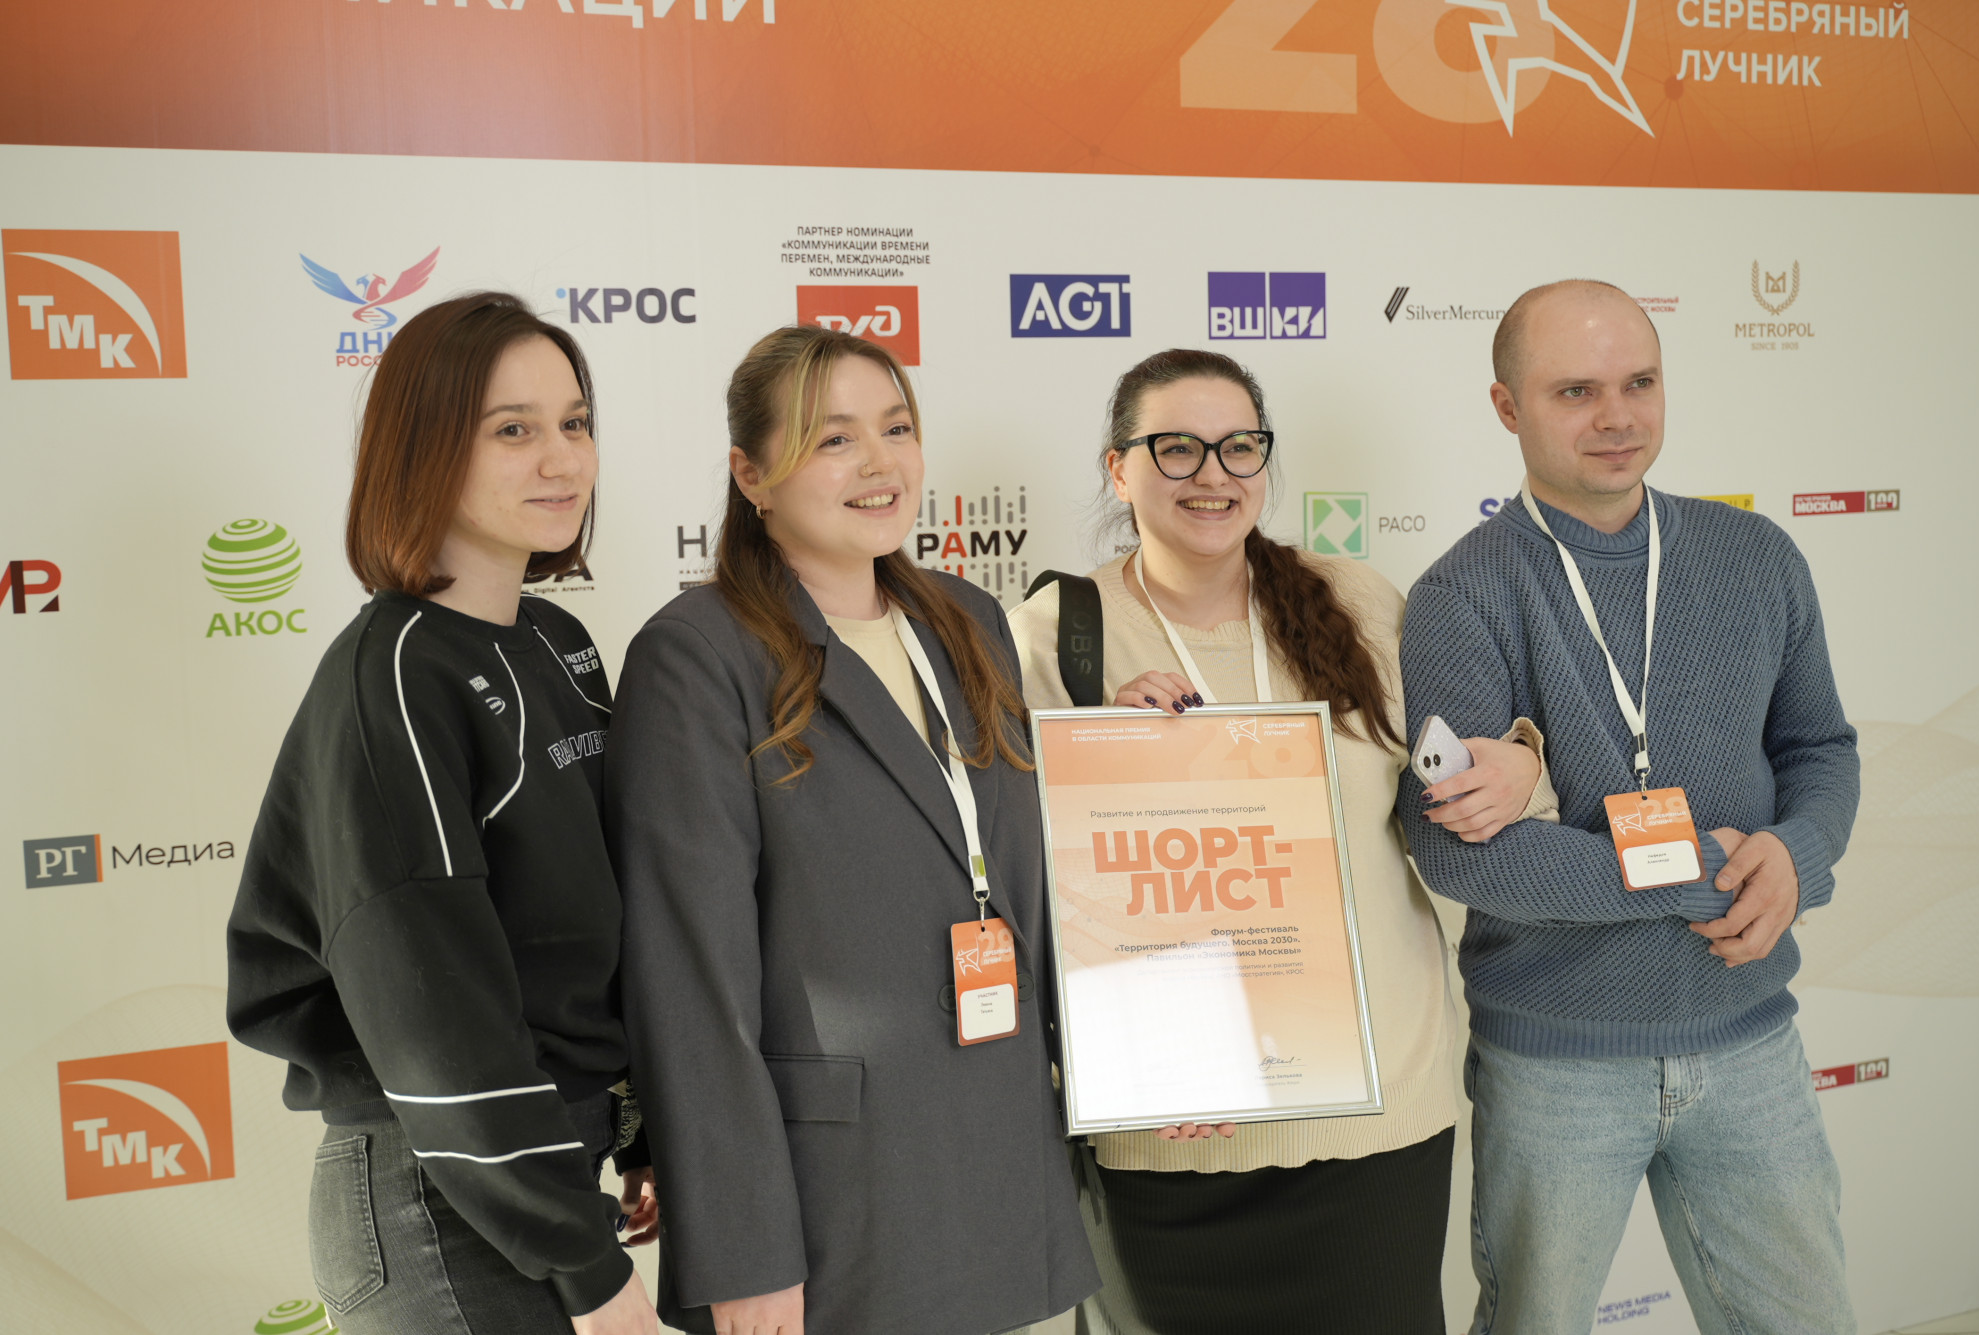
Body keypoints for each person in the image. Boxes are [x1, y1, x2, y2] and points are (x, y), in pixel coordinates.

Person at [1009, 348, 1553, 1334]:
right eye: (1176, 448)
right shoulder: (1055, 635)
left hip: (1370, 1123)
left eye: (1239, 446)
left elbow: (1459, 770)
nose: (1212, 473)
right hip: (1172, 1130)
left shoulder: (1357, 601)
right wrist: (1096, 757)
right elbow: (1010, 868)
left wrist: (1519, 760)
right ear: (1117, 469)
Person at [607, 324, 1098, 1335]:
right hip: (831, 1202)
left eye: (896, 428)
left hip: (1001, 1156)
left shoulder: (967, 619)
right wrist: (742, 1249)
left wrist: (1139, 1071)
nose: (880, 463)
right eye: (833, 439)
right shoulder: (696, 655)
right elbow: (688, 982)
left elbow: (1029, 884)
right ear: (751, 474)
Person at [1396, 280, 1860, 1335]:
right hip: (1555, 1062)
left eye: (1638, 383)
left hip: (1749, 1037)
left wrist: (1795, 852)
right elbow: (1463, 852)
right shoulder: (1461, 596)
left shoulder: (1756, 557)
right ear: (1507, 407)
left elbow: (1818, 749)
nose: (1616, 416)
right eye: (1575, 391)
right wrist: (1702, 868)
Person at [225, 293, 658, 1335]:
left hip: (544, 1172)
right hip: (438, 1199)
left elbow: (594, 931)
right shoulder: (392, 678)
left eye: (573, 422)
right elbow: (435, 1018)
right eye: (512, 429)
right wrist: (587, 1266)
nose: (561, 458)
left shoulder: (556, 643)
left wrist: (635, 1126)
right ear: (424, 450)